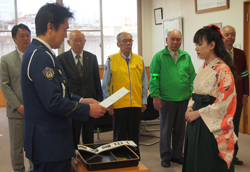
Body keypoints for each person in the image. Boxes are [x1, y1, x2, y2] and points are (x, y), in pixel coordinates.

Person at [20, 3, 106, 172]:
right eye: (65, 30)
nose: (66, 35)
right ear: (50, 27)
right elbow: (53, 101)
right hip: (48, 144)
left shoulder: (44, 53)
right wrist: (86, 110)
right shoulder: (40, 57)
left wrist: (82, 100)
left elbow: (60, 91)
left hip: (52, 140)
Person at [182, 25, 237, 172]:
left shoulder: (223, 69)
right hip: (195, 118)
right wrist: (190, 107)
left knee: (208, 160)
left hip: (210, 123)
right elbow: (195, 91)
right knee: (195, 156)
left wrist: (197, 113)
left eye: (200, 44)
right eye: (196, 45)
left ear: (212, 45)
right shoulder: (204, 67)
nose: (196, 48)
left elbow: (225, 102)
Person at [149, 29, 196, 168]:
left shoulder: (186, 56)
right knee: (166, 129)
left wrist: (190, 93)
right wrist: (155, 96)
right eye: (173, 39)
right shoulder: (159, 57)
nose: (175, 42)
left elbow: (192, 76)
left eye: (178, 39)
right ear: (166, 40)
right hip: (166, 99)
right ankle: (165, 156)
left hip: (183, 99)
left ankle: (177, 155)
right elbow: (154, 77)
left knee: (180, 129)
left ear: (181, 41)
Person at [102, 32, 148, 158]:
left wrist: (143, 100)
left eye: (130, 40)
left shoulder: (139, 59)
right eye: (125, 41)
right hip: (118, 105)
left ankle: (134, 158)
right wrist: (108, 103)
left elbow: (144, 81)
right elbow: (105, 84)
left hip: (135, 103)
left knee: (134, 135)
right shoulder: (111, 59)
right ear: (118, 44)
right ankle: (119, 159)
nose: (128, 43)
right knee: (119, 136)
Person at [57, 30, 103, 144]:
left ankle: (89, 158)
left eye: (81, 40)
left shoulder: (91, 58)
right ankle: (75, 159)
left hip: (90, 103)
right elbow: (61, 84)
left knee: (89, 137)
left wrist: (100, 100)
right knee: (73, 136)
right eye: (75, 41)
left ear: (85, 41)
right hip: (73, 104)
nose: (78, 43)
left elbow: (97, 81)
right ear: (68, 42)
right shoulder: (61, 59)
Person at [0, 24, 33, 172]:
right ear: (14, 39)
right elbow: (5, 85)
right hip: (16, 112)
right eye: (22, 36)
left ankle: (35, 169)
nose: (26, 38)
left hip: (35, 111)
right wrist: (18, 106)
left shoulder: (36, 57)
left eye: (28, 35)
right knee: (17, 147)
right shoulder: (5, 60)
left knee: (34, 144)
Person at [222, 25, 249, 166]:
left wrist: (246, 93)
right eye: (227, 34)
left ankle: (234, 155)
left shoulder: (241, 53)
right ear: (222, 37)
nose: (229, 37)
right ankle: (222, 154)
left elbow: (245, 75)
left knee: (235, 126)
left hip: (237, 97)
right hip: (223, 97)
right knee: (223, 127)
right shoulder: (218, 53)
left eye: (232, 34)